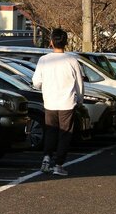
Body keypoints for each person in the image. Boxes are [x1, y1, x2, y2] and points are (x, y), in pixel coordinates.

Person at [32, 28, 84, 176]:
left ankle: (46, 157)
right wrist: (80, 99)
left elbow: (36, 82)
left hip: (49, 101)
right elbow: (79, 83)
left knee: (51, 131)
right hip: (67, 102)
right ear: (66, 43)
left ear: (51, 42)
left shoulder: (43, 60)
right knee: (65, 134)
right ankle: (59, 164)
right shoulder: (72, 60)